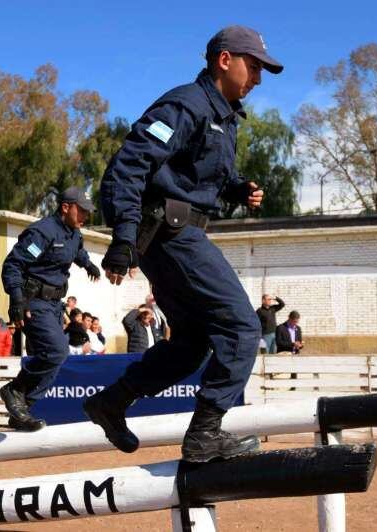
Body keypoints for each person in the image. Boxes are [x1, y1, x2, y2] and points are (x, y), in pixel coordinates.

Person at [84, 25, 282, 463]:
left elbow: (196, 177)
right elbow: (127, 167)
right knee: (241, 327)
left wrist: (236, 189)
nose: (258, 79)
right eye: (254, 67)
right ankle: (205, 434)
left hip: (179, 232)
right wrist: (122, 237)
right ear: (224, 60)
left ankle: (112, 401)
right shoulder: (186, 104)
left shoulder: (225, 117)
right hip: (172, 234)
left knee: (192, 343)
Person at [0, 186, 102, 431]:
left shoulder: (75, 232)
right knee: (56, 351)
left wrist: (88, 265)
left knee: (58, 358)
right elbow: (13, 265)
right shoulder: (42, 233)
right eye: (82, 211)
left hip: (55, 305)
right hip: (33, 302)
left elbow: (77, 251)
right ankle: (14, 390)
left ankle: (21, 410)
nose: (85, 216)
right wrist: (16, 300)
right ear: (65, 207)